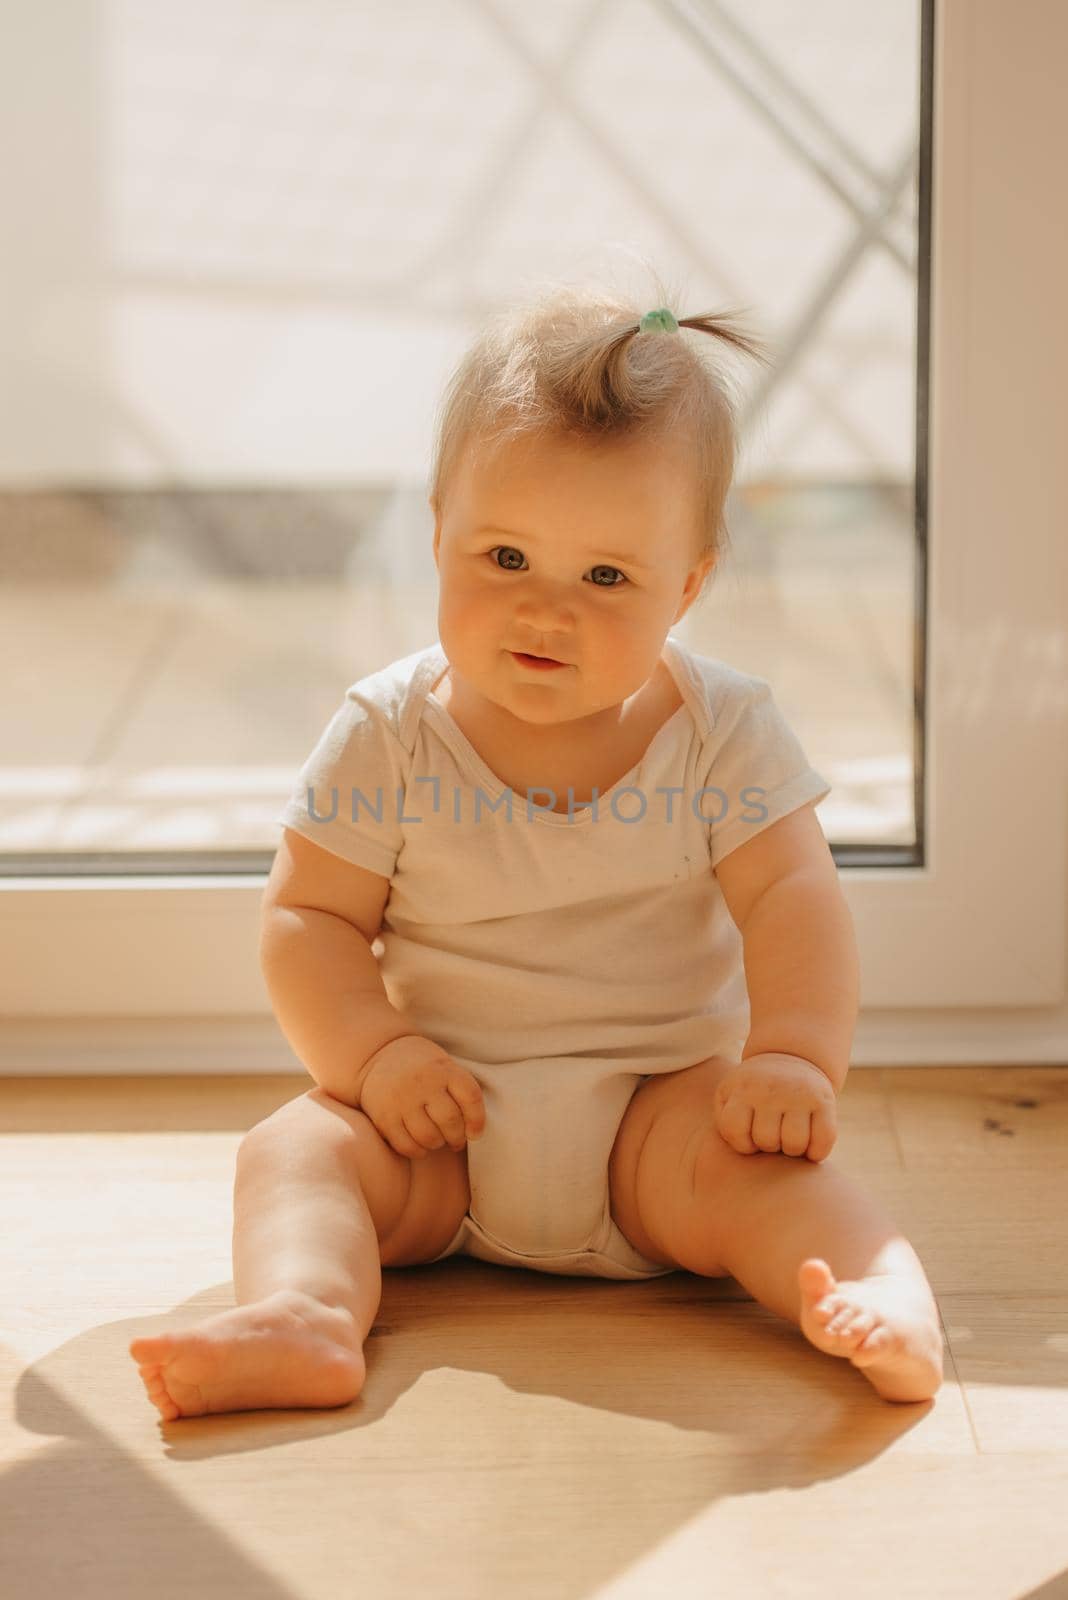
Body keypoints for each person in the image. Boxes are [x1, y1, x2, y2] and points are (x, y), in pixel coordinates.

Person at [129, 279, 943, 1419]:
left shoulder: (724, 730)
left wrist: (797, 1058)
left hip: (655, 1124)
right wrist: (372, 1060)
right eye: (505, 558)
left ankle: (881, 1295)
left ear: (689, 585)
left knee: (780, 1183)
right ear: (437, 534)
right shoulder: (388, 729)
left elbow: (793, 901)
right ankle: (309, 1313)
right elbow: (307, 919)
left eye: (606, 577)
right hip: (437, 1127)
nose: (544, 610)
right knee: (293, 1149)